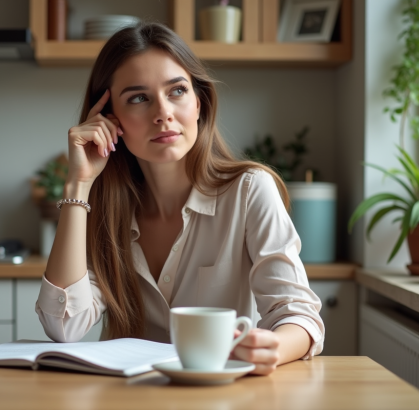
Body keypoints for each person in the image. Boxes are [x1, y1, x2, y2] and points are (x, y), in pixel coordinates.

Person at [36, 22, 324, 376]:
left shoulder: (250, 190)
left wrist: (271, 349)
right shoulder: (100, 206)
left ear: (199, 104)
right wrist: (78, 185)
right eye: (138, 98)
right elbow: (63, 326)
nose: (163, 113)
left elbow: (297, 315)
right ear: (111, 120)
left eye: (176, 91)